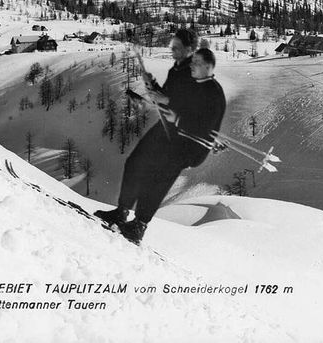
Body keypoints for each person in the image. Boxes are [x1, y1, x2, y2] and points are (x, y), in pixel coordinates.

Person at [95, 46, 226, 245]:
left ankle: (139, 225)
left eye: (197, 63)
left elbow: (204, 125)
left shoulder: (214, 93)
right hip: (175, 136)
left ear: (209, 67)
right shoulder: (194, 84)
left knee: (158, 178)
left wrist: (179, 118)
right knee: (135, 162)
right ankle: (121, 212)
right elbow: (174, 104)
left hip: (191, 147)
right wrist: (154, 89)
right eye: (193, 61)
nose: (192, 65)